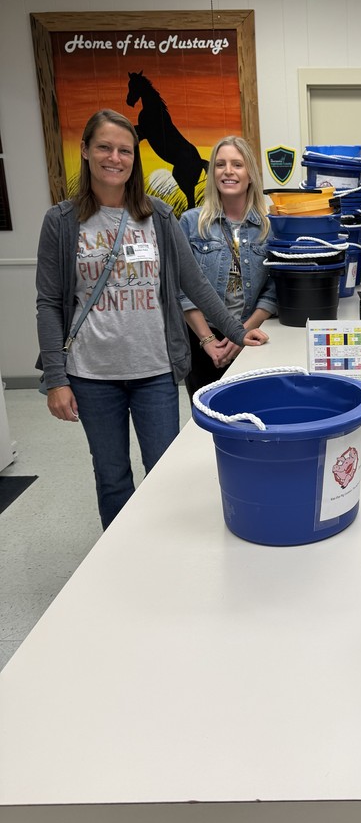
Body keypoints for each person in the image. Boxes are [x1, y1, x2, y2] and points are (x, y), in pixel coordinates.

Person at [36, 108, 269, 530]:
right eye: (104, 147)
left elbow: (195, 285)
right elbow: (49, 303)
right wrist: (56, 379)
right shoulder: (62, 222)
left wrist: (239, 331)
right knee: (112, 478)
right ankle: (119, 558)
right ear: (86, 151)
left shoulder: (157, 217)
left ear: (134, 158)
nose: (115, 157)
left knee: (163, 473)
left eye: (125, 150)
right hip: (92, 374)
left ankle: (163, 553)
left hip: (155, 371)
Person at [178, 135, 276, 399]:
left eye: (237, 164)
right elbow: (181, 288)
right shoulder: (190, 223)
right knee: (206, 418)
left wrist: (241, 334)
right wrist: (207, 340)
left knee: (251, 415)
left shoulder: (269, 228)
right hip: (201, 340)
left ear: (251, 175)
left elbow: (272, 290)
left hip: (251, 336)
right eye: (220, 165)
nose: (228, 171)